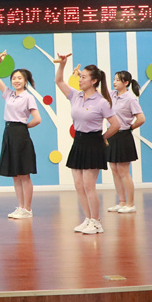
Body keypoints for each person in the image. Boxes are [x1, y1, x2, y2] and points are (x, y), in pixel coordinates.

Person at [54, 54, 120, 235]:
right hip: (78, 142)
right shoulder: (75, 96)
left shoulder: (102, 102)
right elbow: (58, 81)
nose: (80, 79)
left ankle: (97, 222)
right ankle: (88, 218)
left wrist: (103, 137)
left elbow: (116, 124)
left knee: (89, 186)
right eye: (80, 76)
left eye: (83, 77)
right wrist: (63, 64)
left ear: (94, 81)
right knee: (79, 185)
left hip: (93, 143)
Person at [0, 51, 41, 219]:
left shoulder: (28, 97)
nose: (16, 81)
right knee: (15, 175)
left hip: (20, 134)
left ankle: (28, 209)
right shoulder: (9, 94)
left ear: (25, 81)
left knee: (24, 174)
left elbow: (37, 119)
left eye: (19, 78)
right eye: (14, 78)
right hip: (8, 133)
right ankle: (20, 207)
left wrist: (23, 127)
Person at [106, 71, 145, 213]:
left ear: (126, 83)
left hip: (123, 136)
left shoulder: (130, 99)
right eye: (114, 79)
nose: (114, 82)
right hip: (112, 135)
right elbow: (97, 90)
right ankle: (121, 202)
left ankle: (131, 204)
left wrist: (130, 128)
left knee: (123, 171)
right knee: (114, 169)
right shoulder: (111, 94)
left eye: (118, 80)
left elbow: (141, 119)